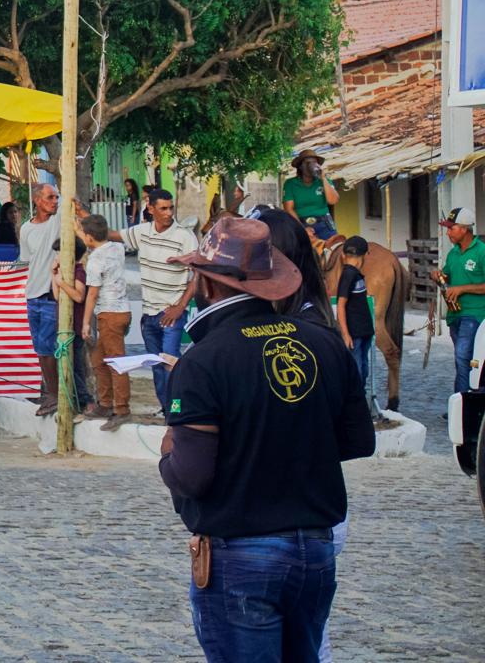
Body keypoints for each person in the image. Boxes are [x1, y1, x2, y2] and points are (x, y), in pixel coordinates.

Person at [156, 216, 374, 660]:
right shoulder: (323, 342)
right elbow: (358, 441)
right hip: (315, 551)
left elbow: (192, 475)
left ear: (207, 283)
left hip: (241, 556)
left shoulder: (203, 362)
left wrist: (167, 454)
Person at [108, 188, 198, 415]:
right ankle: (167, 410)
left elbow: (198, 275)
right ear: (150, 209)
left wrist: (180, 307)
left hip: (170, 314)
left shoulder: (185, 236)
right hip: (148, 315)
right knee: (156, 367)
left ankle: (177, 411)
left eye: (170, 208)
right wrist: (82, 218)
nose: (168, 213)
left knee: (170, 365)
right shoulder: (142, 232)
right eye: (163, 208)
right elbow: (112, 235)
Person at [55, 213, 132, 429]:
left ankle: (121, 409)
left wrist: (85, 322)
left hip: (109, 313)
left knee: (115, 362)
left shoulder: (95, 261)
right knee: (99, 360)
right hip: (118, 312)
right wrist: (78, 227)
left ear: (88, 237)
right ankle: (105, 403)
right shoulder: (116, 248)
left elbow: (91, 294)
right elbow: (95, 237)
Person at [17, 183, 64, 416]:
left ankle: (53, 394)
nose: (54, 201)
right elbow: (26, 260)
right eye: (49, 197)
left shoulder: (57, 221)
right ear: (37, 200)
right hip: (33, 293)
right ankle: (49, 391)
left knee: (47, 347)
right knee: (41, 348)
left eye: (56, 197)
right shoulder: (26, 228)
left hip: (50, 294)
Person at [434, 207, 485, 394]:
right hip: (455, 314)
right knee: (462, 360)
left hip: (475, 314)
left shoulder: (482, 252)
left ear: (464, 229)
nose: (448, 232)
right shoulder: (453, 253)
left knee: (463, 356)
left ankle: (464, 401)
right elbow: (446, 277)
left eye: (451, 228)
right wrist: (438, 276)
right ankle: (466, 399)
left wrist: (462, 289)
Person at [333, 236, 376, 413]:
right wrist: (345, 333)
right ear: (364, 255)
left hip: (364, 331)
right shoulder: (348, 274)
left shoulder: (354, 274)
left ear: (344, 254)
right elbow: (341, 304)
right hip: (355, 333)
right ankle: (355, 407)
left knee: (363, 368)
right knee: (357, 370)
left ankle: (360, 403)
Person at [283, 150, 340, 242]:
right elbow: (289, 209)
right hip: (300, 223)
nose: (312, 165)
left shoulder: (324, 181)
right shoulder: (290, 184)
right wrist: (302, 228)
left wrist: (323, 178)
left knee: (334, 247)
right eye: (308, 163)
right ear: (300, 166)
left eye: (314, 162)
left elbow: (333, 201)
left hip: (324, 222)